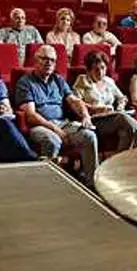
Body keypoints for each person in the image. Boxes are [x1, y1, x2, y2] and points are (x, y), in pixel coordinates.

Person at [15, 45, 100, 187]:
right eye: (45, 59)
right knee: (53, 141)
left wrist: (86, 116)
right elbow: (30, 115)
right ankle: (46, 185)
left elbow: (75, 101)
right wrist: (55, 129)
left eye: (52, 60)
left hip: (62, 123)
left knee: (89, 136)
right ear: (36, 60)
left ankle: (92, 183)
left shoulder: (58, 80)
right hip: (39, 125)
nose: (49, 63)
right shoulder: (25, 82)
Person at [73, 51, 137, 150]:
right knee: (122, 117)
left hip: (112, 117)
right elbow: (77, 103)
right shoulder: (82, 80)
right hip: (94, 121)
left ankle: (119, 159)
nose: (100, 72)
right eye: (96, 69)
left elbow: (122, 98)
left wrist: (121, 106)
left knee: (126, 132)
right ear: (89, 70)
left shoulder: (109, 81)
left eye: (103, 68)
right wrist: (97, 108)